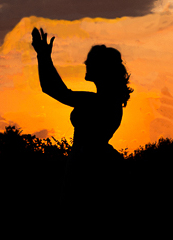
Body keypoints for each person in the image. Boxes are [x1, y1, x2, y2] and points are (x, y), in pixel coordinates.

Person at [30, 27, 132, 213]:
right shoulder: (108, 101)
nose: (85, 63)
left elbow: (53, 89)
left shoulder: (98, 102)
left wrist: (43, 56)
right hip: (85, 165)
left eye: (90, 61)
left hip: (87, 170)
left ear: (102, 69)